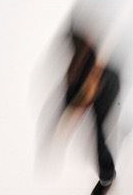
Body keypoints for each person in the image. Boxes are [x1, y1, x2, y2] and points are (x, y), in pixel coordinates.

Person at [42, 25, 121, 194]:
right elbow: (65, 108)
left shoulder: (96, 77)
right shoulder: (74, 83)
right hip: (93, 83)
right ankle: (107, 175)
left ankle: (107, 177)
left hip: (108, 86)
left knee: (99, 130)